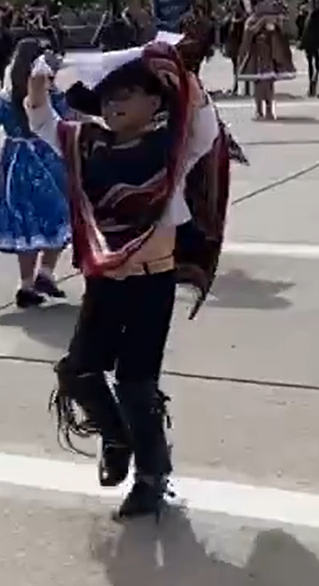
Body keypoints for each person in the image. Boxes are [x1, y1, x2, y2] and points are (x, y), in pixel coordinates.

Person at [26, 38, 231, 519]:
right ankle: (116, 437)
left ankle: (151, 476)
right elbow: (41, 122)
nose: (115, 104)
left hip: (151, 283)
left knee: (137, 385)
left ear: (156, 101)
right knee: (78, 371)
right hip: (103, 280)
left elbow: (204, 126)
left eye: (128, 95)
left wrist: (186, 77)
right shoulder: (86, 144)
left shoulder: (171, 150)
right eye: (109, 97)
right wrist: (38, 84)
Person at [0, 39, 71, 308]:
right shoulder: (54, 96)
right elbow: (73, 122)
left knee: (27, 224)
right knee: (60, 216)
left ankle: (27, 283)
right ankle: (46, 271)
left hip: (17, 162)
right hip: (49, 159)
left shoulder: (4, 98)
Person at [235, 0, 295, 120]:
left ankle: (269, 110)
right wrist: (261, 22)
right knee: (258, 85)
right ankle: (258, 110)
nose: (264, 7)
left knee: (269, 84)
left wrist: (277, 25)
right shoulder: (251, 20)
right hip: (256, 57)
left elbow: (279, 34)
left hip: (269, 56)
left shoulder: (271, 19)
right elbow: (249, 33)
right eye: (261, 4)